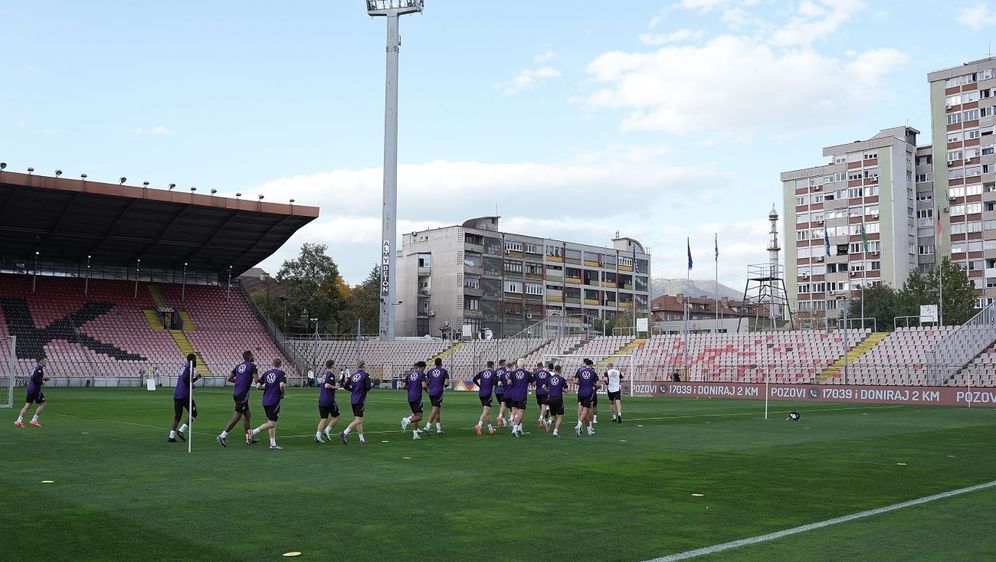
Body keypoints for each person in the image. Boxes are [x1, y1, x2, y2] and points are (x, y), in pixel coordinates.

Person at [217, 350, 260, 447]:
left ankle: (249, 438)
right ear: (249, 357)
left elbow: (229, 378)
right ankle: (222, 436)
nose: (253, 357)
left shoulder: (239, 366)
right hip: (243, 395)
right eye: (252, 355)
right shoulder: (252, 366)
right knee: (238, 415)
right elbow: (257, 380)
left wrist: (239, 382)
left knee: (247, 415)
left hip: (237, 393)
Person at [247, 358, 287, 450]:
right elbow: (281, 385)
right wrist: (283, 393)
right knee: (272, 423)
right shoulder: (281, 373)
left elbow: (257, 386)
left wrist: (266, 390)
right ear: (280, 364)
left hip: (265, 400)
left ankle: (272, 444)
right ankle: (252, 432)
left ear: (272, 364)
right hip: (274, 401)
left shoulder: (266, 373)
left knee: (271, 422)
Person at [169, 354, 201, 442]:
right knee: (194, 414)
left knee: (177, 416)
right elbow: (186, 379)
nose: (196, 361)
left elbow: (186, 379)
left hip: (177, 395)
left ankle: (171, 436)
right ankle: (181, 430)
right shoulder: (189, 367)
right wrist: (192, 384)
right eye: (195, 359)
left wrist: (196, 378)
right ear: (192, 359)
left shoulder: (183, 367)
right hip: (185, 395)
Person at [340, 361, 372, 445]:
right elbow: (368, 387)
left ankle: (361, 439)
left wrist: (353, 390)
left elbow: (345, 386)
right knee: (359, 420)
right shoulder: (365, 375)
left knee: (358, 420)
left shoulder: (353, 375)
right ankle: (344, 433)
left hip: (353, 399)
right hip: (360, 399)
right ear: (364, 366)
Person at [14, 358, 49, 428]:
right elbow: (34, 378)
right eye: (45, 361)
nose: (46, 362)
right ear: (41, 361)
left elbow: (34, 378)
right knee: (42, 404)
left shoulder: (36, 368)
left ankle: (18, 421)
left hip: (30, 389)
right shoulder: (39, 369)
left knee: (27, 405)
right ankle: (34, 420)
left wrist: (42, 380)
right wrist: (42, 382)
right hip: (35, 390)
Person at [315, 360, 342, 443]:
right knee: (337, 417)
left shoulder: (324, 374)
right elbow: (327, 385)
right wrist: (336, 387)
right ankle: (326, 430)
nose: (335, 366)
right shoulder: (330, 375)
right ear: (332, 366)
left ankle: (318, 435)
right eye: (334, 365)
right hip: (329, 400)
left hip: (321, 399)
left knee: (323, 418)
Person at [574, 358, 601, 436]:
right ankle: (579, 424)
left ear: (585, 364)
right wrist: (593, 384)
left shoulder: (580, 371)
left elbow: (576, 382)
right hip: (589, 393)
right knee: (587, 409)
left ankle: (589, 430)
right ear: (591, 365)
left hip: (580, 392)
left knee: (581, 409)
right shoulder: (593, 373)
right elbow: (599, 385)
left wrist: (582, 383)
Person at [401, 361, 427, 440]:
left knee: (415, 414)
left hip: (410, 397)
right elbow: (423, 385)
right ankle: (407, 420)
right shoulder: (422, 374)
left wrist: (411, 388)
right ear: (422, 368)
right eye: (424, 368)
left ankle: (415, 434)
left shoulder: (409, 375)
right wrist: (427, 390)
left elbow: (403, 386)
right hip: (417, 397)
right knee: (419, 417)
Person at [423, 358, 450, 434]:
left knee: (437, 410)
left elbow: (427, 382)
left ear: (435, 363)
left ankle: (438, 429)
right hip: (439, 392)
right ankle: (427, 426)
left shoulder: (430, 371)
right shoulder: (444, 371)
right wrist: (445, 385)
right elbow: (446, 383)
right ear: (441, 363)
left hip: (431, 392)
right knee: (435, 409)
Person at [507, 359, 533, 437]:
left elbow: (508, 382)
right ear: (524, 365)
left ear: (517, 365)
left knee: (515, 411)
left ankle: (518, 427)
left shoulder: (512, 373)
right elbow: (534, 382)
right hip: (522, 395)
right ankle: (515, 429)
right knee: (521, 412)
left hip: (514, 395)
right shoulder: (527, 373)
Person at [472, 361, 498, 436]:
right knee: (486, 411)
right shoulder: (493, 373)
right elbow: (495, 382)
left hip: (481, 393)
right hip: (488, 393)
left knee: (487, 412)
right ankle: (479, 425)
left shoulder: (482, 372)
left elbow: (474, 379)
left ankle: (490, 429)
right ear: (492, 366)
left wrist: (479, 385)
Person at [547, 365, 569, 437]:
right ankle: (555, 432)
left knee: (552, 415)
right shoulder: (562, 379)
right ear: (560, 370)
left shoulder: (549, 378)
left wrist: (549, 391)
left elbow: (543, 386)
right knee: (560, 416)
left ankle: (549, 422)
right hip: (558, 398)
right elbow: (566, 390)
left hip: (551, 398)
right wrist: (561, 389)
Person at [533, 361, 551, 430]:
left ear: (538, 367)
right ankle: (541, 418)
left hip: (538, 392)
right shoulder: (547, 373)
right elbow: (550, 382)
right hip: (545, 391)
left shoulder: (536, 374)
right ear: (542, 367)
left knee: (541, 406)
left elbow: (534, 383)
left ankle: (543, 421)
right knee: (544, 405)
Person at [494, 359, 508, 427]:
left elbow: (494, 381)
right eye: (505, 363)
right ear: (503, 364)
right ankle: (499, 417)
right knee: (504, 405)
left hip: (497, 391)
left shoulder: (495, 371)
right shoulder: (505, 370)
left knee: (501, 406)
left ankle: (504, 421)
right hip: (503, 390)